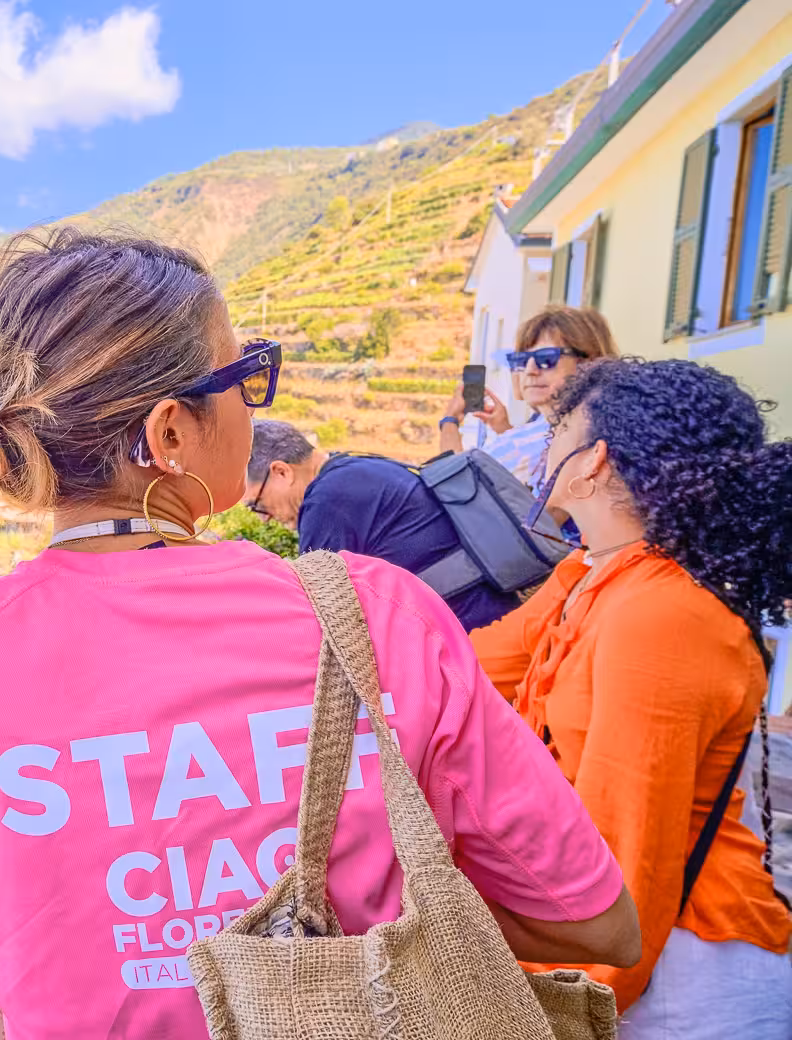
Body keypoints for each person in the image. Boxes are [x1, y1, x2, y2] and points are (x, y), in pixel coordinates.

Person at [0, 228, 638, 1040]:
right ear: (169, 433)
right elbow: (600, 926)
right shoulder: (375, 615)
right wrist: (375, 906)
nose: (253, 404)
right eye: (245, 377)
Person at [469, 357, 792, 1036]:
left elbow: (627, 857)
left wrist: (558, 1007)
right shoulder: (595, 577)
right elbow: (466, 679)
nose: (542, 443)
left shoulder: (659, 615)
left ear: (592, 462)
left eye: (558, 428)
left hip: (681, 983)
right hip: (635, 963)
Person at [242, 419, 521, 630]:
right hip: (492, 612)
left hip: (469, 635)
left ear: (281, 472)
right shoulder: (353, 465)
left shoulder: (327, 500)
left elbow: (318, 614)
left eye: (258, 504)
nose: (263, 517)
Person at [439, 305, 619, 489]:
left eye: (546, 359)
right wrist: (504, 429)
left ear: (588, 363)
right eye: (522, 360)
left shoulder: (552, 435)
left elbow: (454, 485)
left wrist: (450, 420)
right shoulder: (598, 422)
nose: (530, 370)